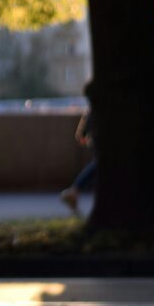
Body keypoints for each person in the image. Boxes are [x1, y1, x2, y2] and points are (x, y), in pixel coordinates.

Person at [60, 81, 96, 216]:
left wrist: (86, 140)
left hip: (95, 142)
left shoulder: (90, 111)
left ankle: (74, 191)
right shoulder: (99, 111)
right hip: (100, 142)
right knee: (97, 166)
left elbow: (81, 134)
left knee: (97, 166)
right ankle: (74, 190)